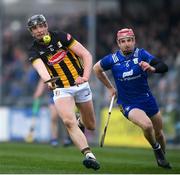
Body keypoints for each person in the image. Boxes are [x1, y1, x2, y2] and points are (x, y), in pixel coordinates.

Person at [27, 14, 100, 170]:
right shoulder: (34, 50)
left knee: (91, 125)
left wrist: (85, 77)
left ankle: (81, 122)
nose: (39, 30)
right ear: (31, 32)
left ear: (46, 26)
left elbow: (86, 54)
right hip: (61, 89)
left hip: (81, 84)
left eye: (41, 26)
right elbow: (41, 69)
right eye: (35, 28)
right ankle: (89, 155)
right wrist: (49, 81)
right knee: (68, 121)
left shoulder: (61, 37)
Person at [93, 28, 171, 169]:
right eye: (123, 41)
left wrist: (152, 69)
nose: (127, 44)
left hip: (147, 99)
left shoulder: (141, 54)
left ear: (134, 40)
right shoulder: (112, 59)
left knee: (159, 133)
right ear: (118, 43)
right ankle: (156, 148)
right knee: (147, 125)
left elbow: (163, 66)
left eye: (129, 40)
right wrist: (110, 88)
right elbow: (96, 69)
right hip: (128, 103)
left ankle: (162, 158)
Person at [33, 79, 73, 147]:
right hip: (54, 95)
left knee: (66, 118)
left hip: (65, 94)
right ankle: (54, 139)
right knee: (53, 117)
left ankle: (68, 138)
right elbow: (43, 79)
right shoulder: (49, 68)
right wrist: (39, 90)